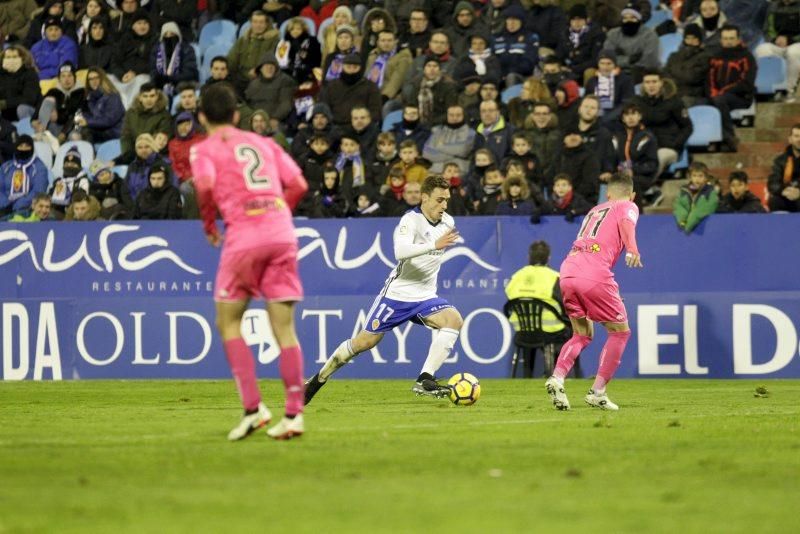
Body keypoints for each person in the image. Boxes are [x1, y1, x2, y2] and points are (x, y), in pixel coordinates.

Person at [190, 83, 309, 441]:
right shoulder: (265, 143)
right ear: (237, 115)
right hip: (282, 232)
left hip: (244, 238)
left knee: (228, 322)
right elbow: (299, 184)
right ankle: (293, 416)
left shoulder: (203, 149)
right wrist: (275, 213)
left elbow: (205, 185)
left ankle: (254, 408)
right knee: (284, 329)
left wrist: (210, 225)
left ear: (201, 117)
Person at [304, 174, 463, 404]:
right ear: (424, 198)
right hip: (397, 295)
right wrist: (432, 245)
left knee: (454, 320)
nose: (444, 205)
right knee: (363, 343)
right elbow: (400, 251)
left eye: (447, 200)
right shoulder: (410, 220)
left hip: (426, 296)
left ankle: (425, 379)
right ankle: (317, 380)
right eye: (439, 200)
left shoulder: (447, 222)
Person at [545, 172, 643, 411]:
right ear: (632, 194)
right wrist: (632, 249)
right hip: (594, 273)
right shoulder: (627, 205)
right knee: (620, 333)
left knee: (581, 334)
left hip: (568, 270)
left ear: (607, 193)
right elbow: (626, 222)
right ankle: (597, 392)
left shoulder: (594, 210)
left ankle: (557, 378)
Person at [505, 240, 569, 377]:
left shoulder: (516, 277)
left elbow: (510, 298)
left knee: (532, 333)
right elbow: (566, 305)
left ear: (529, 257)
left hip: (523, 331)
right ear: (548, 258)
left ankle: (528, 374)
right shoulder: (554, 277)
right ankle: (560, 375)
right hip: (550, 332)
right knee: (573, 328)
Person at [706, 25, 757, 152]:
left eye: (731, 38)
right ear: (721, 40)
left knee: (719, 101)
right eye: (725, 39)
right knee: (700, 103)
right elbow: (709, 78)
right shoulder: (715, 56)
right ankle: (723, 139)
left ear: (738, 39)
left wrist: (723, 91)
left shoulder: (747, 57)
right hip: (716, 95)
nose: (728, 42)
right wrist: (713, 92)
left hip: (740, 97)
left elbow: (747, 83)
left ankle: (728, 137)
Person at [673, 162, 718, 233]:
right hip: (684, 227)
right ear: (690, 177)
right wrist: (682, 219)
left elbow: (710, 207)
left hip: (704, 228)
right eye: (694, 176)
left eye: (700, 176)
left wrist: (690, 222)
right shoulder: (684, 190)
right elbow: (678, 205)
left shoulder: (710, 191)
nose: (697, 179)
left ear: (706, 178)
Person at [767, 123, 800, 212]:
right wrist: (783, 191)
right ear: (790, 139)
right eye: (796, 136)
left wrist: (798, 193)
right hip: (786, 195)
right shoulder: (780, 160)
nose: (799, 139)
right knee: (774, 201)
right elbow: (772, 183)